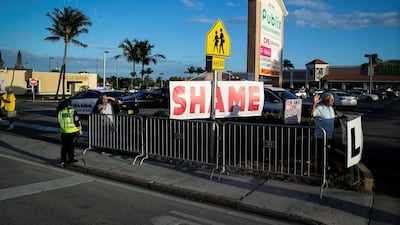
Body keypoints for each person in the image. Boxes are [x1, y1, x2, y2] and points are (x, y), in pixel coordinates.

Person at [310, 92, 345, 172]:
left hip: (330, 135)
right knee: (321, 154)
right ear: (326, 100)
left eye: (333, 100)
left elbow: (331, 116)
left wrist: (340, 117)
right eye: (331, 100)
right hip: (321, 136)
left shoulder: (331, 108)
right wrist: (314, 104)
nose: (333, 101)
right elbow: (312, 114)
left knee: (331, 152)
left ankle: (329, 167)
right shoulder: (320, 108)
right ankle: (320, 169)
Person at [58, 98, 83, 167]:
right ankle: (71, 159)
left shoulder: (61, 112)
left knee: (64, 147)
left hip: (64, 132)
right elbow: (76, 122)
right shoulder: (73, 112)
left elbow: (59, 122)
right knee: (71, 147)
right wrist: (80, 130)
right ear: (70, 105)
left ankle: (63, 161)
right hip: (72, 132)